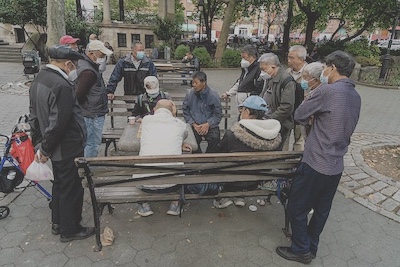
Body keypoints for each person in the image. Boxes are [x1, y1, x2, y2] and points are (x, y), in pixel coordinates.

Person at [276, 51, 361, 264]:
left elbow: (299, 115)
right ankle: (311, 247)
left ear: (332, 68)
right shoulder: (355, 96)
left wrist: (313, 110)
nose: (323, 71)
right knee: (321, 210)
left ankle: (301, 250)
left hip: (316, 161)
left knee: (297, 206)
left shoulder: (327, 92)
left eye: (325, 67)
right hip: (336, 164)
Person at [28, 45, 94, 242]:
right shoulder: (61, 85)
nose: (75, 71)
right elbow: (60, 122)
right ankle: (70, 229)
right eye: (74, 66)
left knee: (60, 185)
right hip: (67, 146)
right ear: (67, 64)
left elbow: (34, 117)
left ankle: (58, 222)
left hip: (53, 145)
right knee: (71, 187)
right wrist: (45, 149)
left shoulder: (39, 79)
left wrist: (39, 144)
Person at [213, 96, 282, 208]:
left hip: (232, 180)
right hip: (258, 180)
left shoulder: (232, 134)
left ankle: (224, 197)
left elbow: (217, 155)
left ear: (247, 111)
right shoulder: (273, 136)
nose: (240, 113)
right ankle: (240, 197)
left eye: (242, 110)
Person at [137, 99, 192, 216]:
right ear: (172, 111)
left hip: (145, 184)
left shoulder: (146, 120)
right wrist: (174, 115)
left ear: (154, 110)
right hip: (172, 184)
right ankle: (175, 204)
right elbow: (183, 135)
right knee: (180, 168)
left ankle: (144, 205)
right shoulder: (180, 125)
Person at [75, 40, 113, 157]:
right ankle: (89, 168)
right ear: (92, 53)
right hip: (92, 113)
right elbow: (79, 94)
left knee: (91, 142)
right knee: (92, 143)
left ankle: (89, 165)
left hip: (92, 110)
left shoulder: (88, 65)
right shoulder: (88, 71)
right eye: (102, 55)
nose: (103, 58)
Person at [258, 53, 295, 151]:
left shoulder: (286, 80)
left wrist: (270, 119)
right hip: (268, 120)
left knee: (276, 150)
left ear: (273, 67)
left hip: (279, 124)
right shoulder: (270, 78)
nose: (262, 72)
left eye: (264, 69)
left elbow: (287, 107)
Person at [182, 71, 222, 153]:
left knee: (215, 138)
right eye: (193, 82)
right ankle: (198, 157)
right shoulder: (190, 94)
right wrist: (193, 124)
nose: (194, 85)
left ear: (204, 83)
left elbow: (217, 114)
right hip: (194, 125)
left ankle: (208, 158)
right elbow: (185, 111)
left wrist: (208, 124)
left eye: (196, 83)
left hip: (210, 125)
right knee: (192, 140)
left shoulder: (213, 95)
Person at [287, 45, 308, 152]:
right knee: (284, 138)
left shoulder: (310, 73)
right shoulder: (287, 73)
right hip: (287, 111)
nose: (288, 60)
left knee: (300, 139)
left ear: (301, 59)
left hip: (302, 112)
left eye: (292, 58)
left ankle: (297, 163)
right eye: (288, 57)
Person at [300, 62, 324, 137]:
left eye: (305, 77)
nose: (303, 80)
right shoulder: (312, 92)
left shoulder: (320, 94)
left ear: (316, 80)